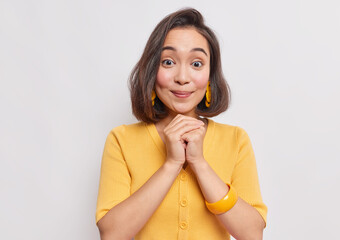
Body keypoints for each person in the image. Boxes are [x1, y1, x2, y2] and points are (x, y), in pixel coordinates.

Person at [95, 7, 267, 240]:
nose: (183, 77)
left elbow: (252, 233)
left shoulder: (235, 140)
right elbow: (112, 234)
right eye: (168, 62)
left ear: (209, 77)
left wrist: (199, 163)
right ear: (152, 72)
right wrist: (171, 163)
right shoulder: (122, 140)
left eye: (196, 64)